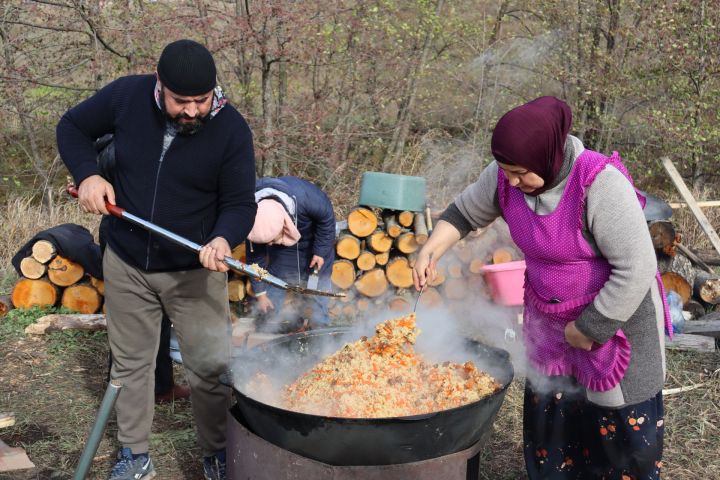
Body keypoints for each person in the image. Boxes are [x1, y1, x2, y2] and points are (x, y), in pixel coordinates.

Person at [413, 96, 669, 479]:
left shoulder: (599, 184)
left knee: (617, 441)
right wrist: (430, 248)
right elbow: (464, 212)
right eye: (506, 172)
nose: (512, 182)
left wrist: (589, 328)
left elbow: (637, 267)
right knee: (556, 422)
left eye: (520, 173)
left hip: (612, 323)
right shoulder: (504, 175)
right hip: (549, 323)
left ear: (548, 156)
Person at [57, 39, 257, 480]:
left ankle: (218, 454)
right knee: (131, 365)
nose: (191, 111)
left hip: (194, 270)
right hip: (127, 261)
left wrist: (224, 239)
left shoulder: (232, 131)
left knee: (209, 367)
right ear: (159, 84)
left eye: (201, 101)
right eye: (180, 101)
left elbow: (241, 204)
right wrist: (88, 174)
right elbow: (71, 126)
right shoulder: (126, 97)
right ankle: (135, 455)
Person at [95, 136, 190, 405]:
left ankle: (149, 385)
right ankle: (134, 390)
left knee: (148, 315)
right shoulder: (124, 148)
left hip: (140, 234)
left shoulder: (124, 140)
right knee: (136, 317)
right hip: (130, 237)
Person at [246, 176, 335, 331]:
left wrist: (320, 251)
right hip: (284, 248)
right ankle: (269, 327)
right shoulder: (252, 216)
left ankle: (320, 330)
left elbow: (326, 219)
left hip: (314, 240)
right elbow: (255, 260)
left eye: (271, 240)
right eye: (266, 243)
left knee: (318, 286)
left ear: (284, 225)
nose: (269, 245)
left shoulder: (306, 198)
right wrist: (260, 294)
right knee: (276, 279)